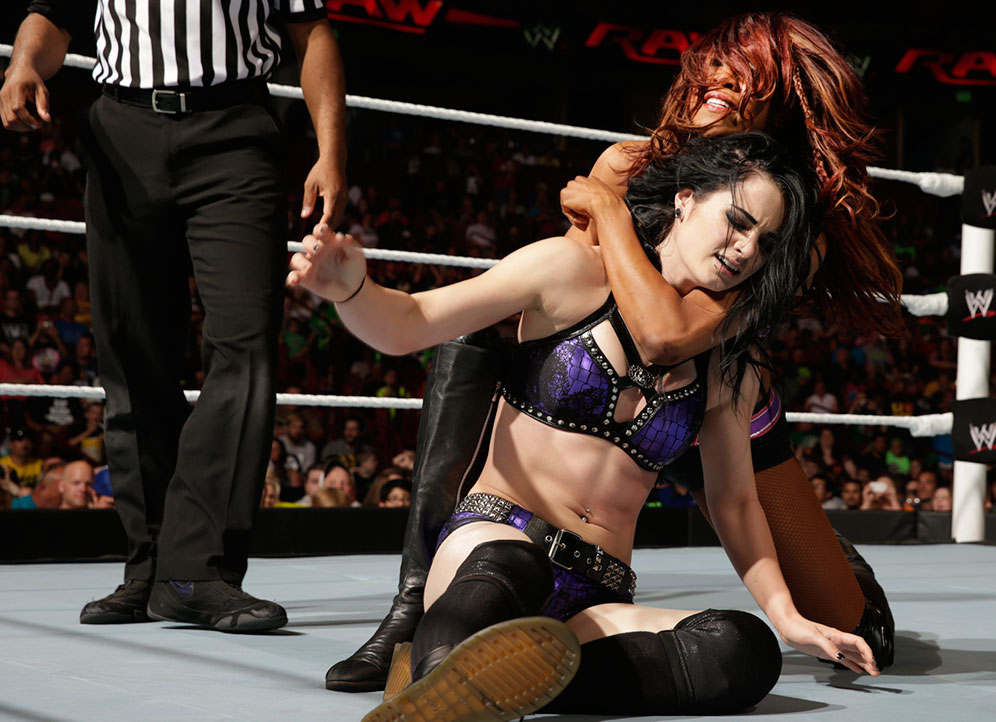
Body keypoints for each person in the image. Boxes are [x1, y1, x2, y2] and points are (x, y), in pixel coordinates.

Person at [326, 11, 899, 692]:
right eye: (714, 67)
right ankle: (417, 604)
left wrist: (610, 212)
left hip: (713, 402)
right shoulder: (628, 165)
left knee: (853, 628)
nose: (722, 83)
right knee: (477, 333)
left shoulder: (791, 230)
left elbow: (670, 335)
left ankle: (841, 561)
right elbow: (569, 300)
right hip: (596, 408)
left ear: (781, 104)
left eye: (748, 76)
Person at [2, 0, 347, 632]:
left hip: (234, 132)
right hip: (121, 131)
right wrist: (23, 63)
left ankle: (197, 568)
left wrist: (331, 150)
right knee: (132, 350)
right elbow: (53, 11)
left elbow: (311, 30)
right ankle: (152, 565)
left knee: (244, 344)